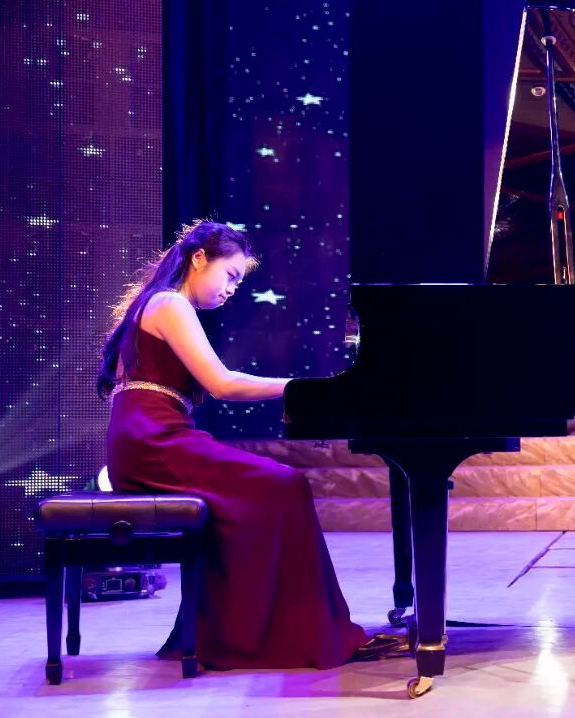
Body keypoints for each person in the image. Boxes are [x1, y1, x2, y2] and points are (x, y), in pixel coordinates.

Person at [98, 220, 395, 669]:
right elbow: (222, 384)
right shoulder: (170, 304)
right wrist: (303, 387)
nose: (232, 289)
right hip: (154, 441)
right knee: (285, 485)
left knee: (269, 491)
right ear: (199, 258)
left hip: (146, 439)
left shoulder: (158, 303)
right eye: (231, 275)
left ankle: (251, 629)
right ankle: (287, 633)